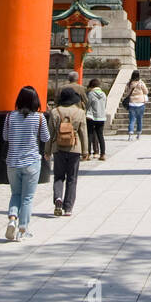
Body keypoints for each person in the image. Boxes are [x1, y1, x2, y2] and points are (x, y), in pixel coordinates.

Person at [3, 85, 50, 241]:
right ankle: (23, 228)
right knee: (27, 197)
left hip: (13, 161)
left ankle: (12, 219)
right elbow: (45, 138)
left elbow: (5, 137)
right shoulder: (39, 117)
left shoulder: (10, 116)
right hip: (31, 161)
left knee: (15, 193)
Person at [46, 86, 89, 217]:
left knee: (58, 176)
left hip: (58, 147)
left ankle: (58, 198)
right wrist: (85, 151)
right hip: (74, 147)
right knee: (72, 178)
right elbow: (84, 133)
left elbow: (50, 133)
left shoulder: (55, 112)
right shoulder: (80, 113)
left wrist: (47, 151)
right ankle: (68, 207)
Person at [86, 77, 107, 160]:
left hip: (91, 117)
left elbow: (88, 104)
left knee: (90, 135)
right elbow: (105, 105)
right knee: (100, 136)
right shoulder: (104, 94)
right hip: (101, 117)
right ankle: (103, 154)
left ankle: (87, 154)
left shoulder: (91, 94)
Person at [124, 70, 148, 139]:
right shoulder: (141, 83)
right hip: (140, 103)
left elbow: (127, 93)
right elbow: (146, 91)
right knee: (139, 119)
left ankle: (130, 134)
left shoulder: (129, 83)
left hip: (132, 103)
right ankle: (138, 134)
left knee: (132, 119)